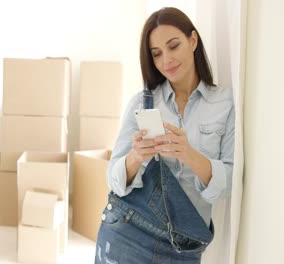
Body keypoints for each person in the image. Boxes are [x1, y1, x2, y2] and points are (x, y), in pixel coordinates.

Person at [94, 7, 235, 264]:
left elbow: (228, 183)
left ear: (193, 41)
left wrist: (188, 154)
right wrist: (135, 157)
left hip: (185, 246)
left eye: (173, 46)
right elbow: (113, 179)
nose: (166, 60)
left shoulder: (223, 103)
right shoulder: (142, 103)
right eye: (157, 54)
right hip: (128, 231)